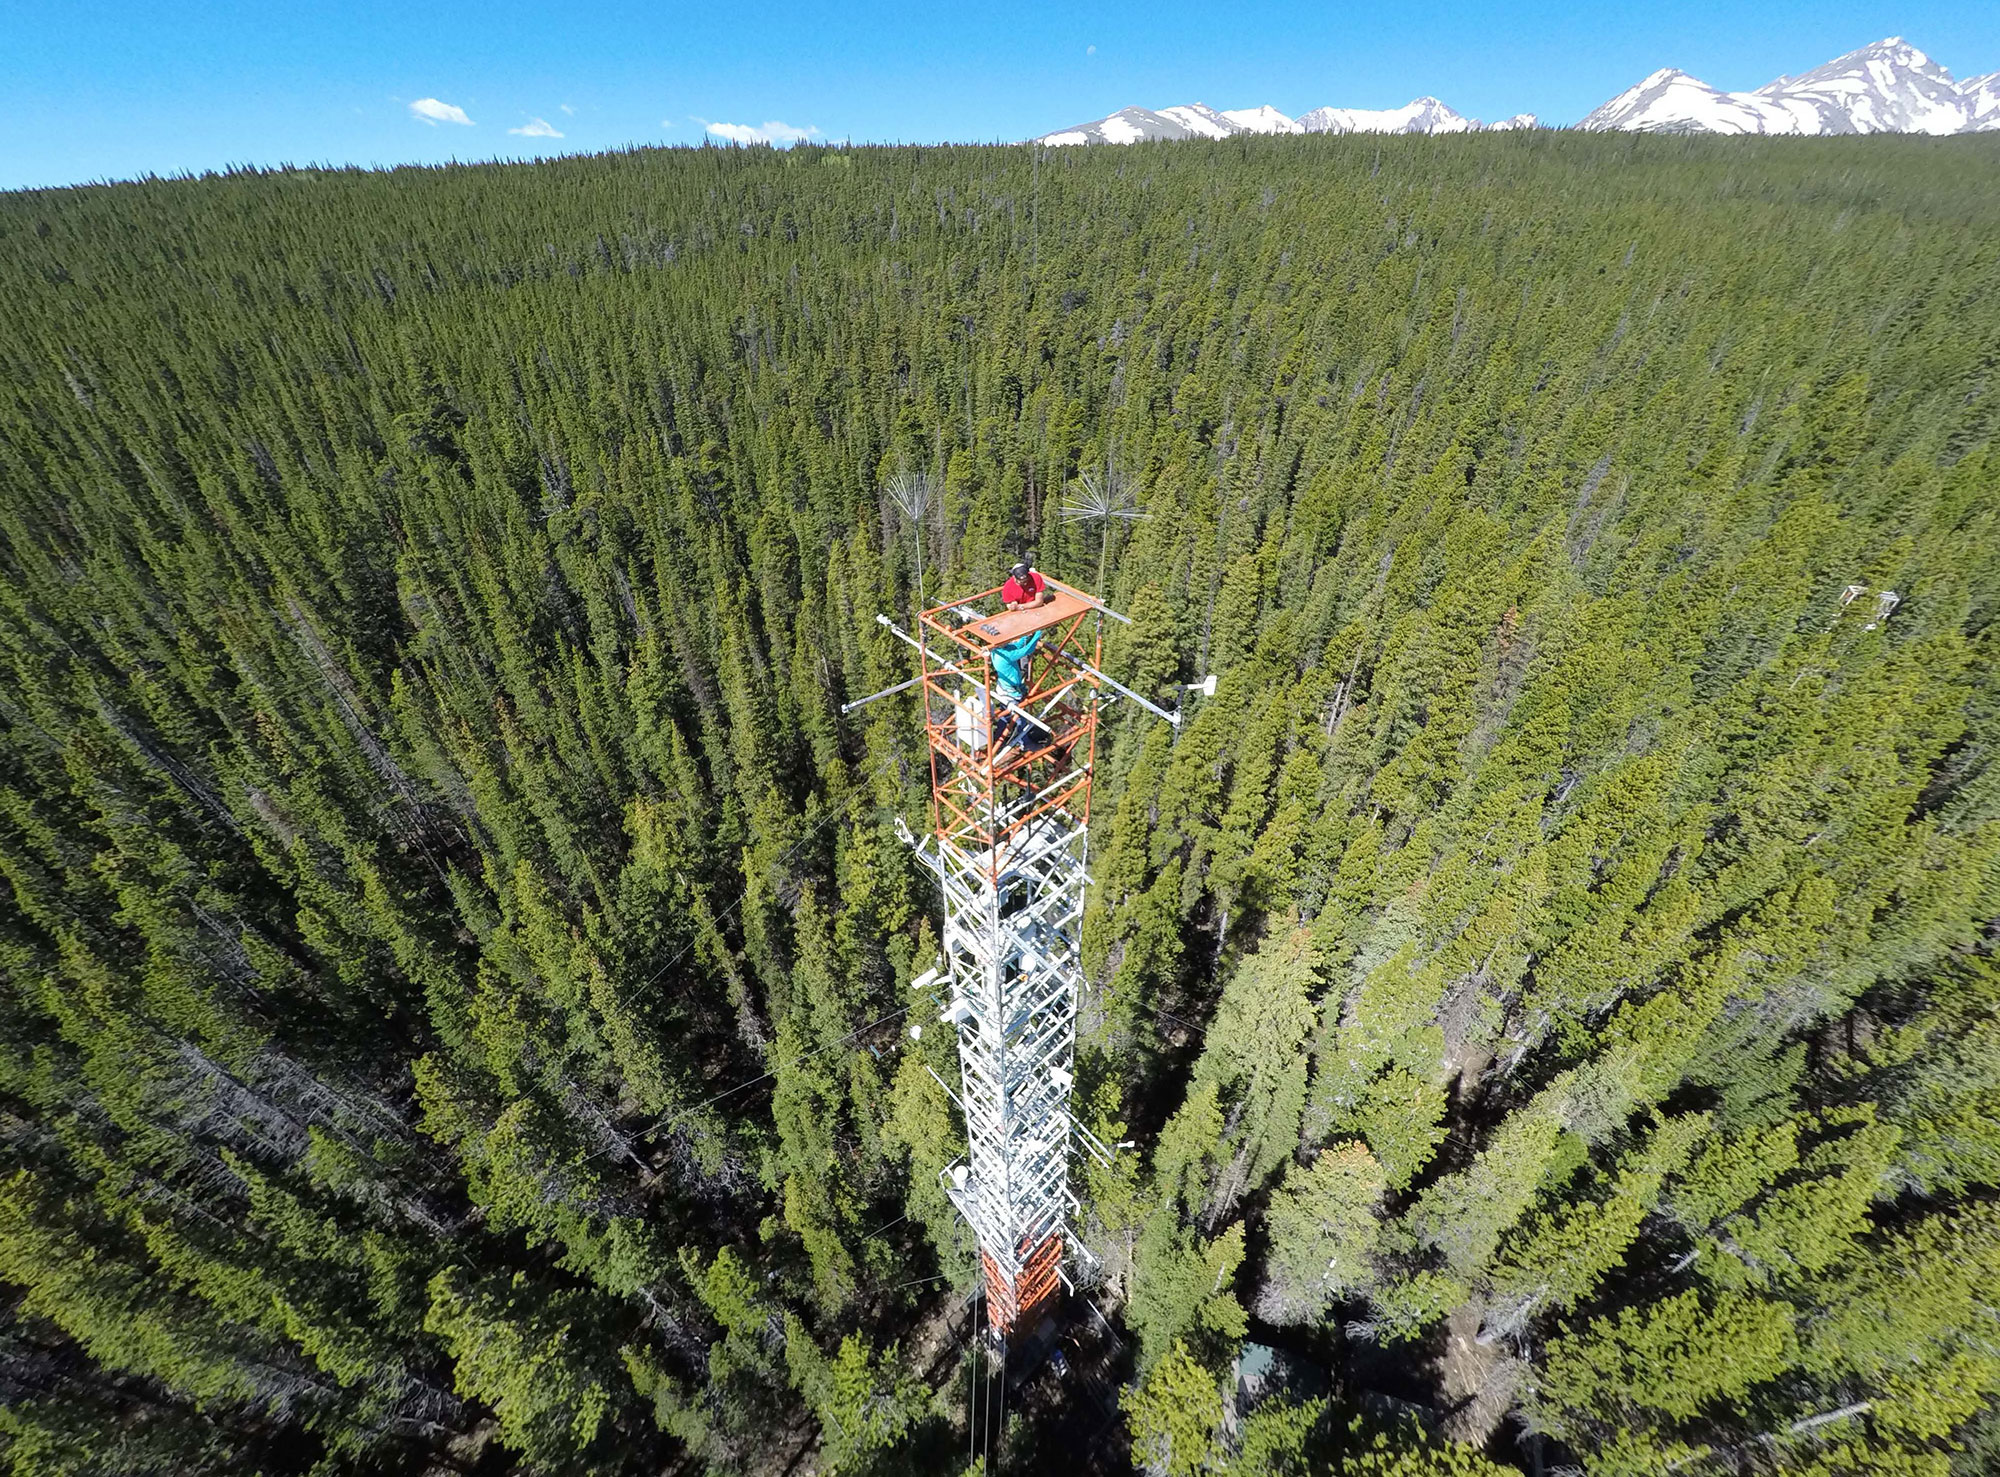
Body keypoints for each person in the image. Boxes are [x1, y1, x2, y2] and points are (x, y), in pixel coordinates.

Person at [988, 628, 1046, 752]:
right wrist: (1037, 635)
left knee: (1005, 718)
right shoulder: (1004, 656)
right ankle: (1025, 743)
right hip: (1011, 694)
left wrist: (1026, 635)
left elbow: (1016, 646)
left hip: (1005, 690)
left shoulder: (999, 651)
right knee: (1020, 720)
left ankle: (997, 741)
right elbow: (1026, 650)